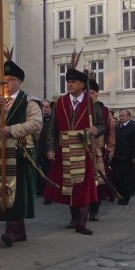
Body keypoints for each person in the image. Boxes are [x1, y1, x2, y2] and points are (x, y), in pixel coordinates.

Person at [42, 63, 103, 235]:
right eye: (68, 81)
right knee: (68, 185)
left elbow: (101, 125)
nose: (69, 84)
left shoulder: (91, 103)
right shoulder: (60, 102)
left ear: (83, 85)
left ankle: (82, 222)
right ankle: (73, 218)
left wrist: (96, 130)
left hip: (84, 150)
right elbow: (52, 128)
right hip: (64, 149)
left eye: (74, 82)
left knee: (83, 186)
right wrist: (51, 148)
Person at [0, 59, 43, 247]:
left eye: (10, 79)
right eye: (3, 79)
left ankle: (12, 229)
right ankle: (17, 229)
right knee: (1, 189)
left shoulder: (28, 101)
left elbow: (36, 123)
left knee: (17, 192)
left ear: (19, 82)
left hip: (20, 152)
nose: (6, 83)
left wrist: (12, 129)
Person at [87, 80, 114, 220]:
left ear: (97, 94)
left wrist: (110, 148)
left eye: (91, 92)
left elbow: (109, 130)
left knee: (96, 180)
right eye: (87, 92)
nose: (89, 95)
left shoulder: (103, 109)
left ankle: (94, 209)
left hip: (97, 148)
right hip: (82, 148)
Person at [111, 109, 135, 205]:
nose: (121, 117)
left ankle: (125, 197)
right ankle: (120, 195)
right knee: (118, 178)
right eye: (120, 115)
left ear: (129, 116)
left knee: (126, 179)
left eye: (123, 115)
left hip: (128, 157)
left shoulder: (133, 127)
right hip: (117, 156)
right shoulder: (117, 127)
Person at [36, 99, 53, 201]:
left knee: (50, 172)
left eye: (47, 107)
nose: (45, 109)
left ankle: (49, 193)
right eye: (43, 107)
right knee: (40, 171)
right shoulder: (38, 120)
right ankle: (40, 191)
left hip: (50, 150)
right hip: (40, 150)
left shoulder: (53, 119)